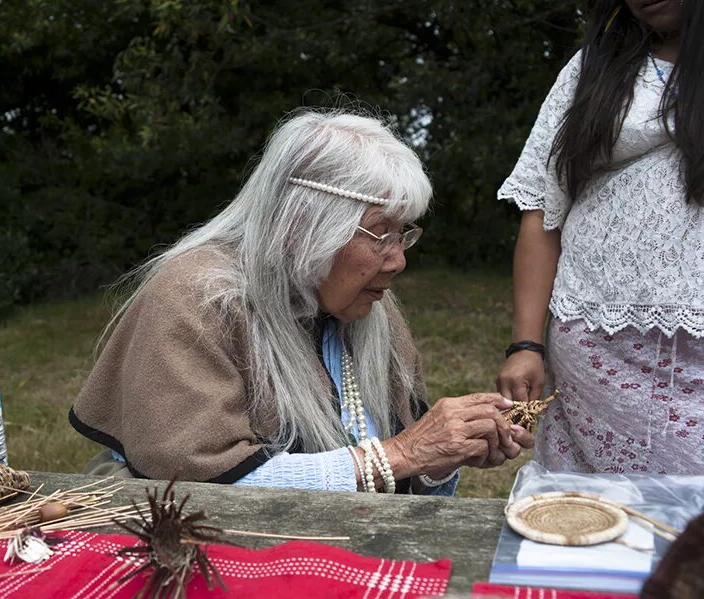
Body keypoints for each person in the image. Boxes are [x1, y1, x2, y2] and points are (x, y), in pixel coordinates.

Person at [70, 110, 533, 495]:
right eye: (380, 234)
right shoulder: (196, 299)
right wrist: (406, 452)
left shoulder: (370, 307)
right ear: (302, 229)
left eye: (404, 233)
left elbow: (400, 473)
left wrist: (442, 459)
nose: (398, 261)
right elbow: (207, 487)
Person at [496, 0, 702, 474]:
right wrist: (526, 346)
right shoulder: (594, 67)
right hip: (595, 343)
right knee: (596, 513)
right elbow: (542, 209)